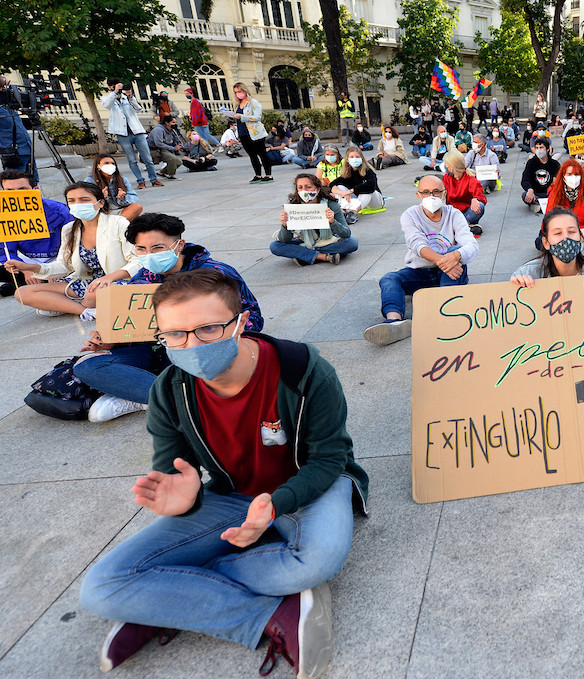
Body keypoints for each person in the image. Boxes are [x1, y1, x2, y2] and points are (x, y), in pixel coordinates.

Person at [78, 268, 368, 678]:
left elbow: (329, 459)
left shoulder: (301, 368)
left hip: (311, 487)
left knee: (314, 563)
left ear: (241, 323)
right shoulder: (169, 390)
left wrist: (278, 502)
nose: (190, 345)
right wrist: (185, 498)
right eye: (174, 334)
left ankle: (168, 598)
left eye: (209, 328)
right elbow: (172, 469)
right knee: (103, 586)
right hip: (232, 495)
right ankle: (272, 613)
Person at [70, 212, 264, 422]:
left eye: (157, 248)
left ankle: (143, 395)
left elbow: (253, 319)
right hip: (151, 349)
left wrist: (207, 331)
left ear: (178, 245)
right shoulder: (144, 275)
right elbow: (133, 321)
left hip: (195, 346)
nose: (149, 255)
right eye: (141, 249)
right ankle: (163, 398)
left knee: (192, 367)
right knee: (87, 366)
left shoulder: (215, 274)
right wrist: (111, 339)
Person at [364, 175, 478, 346]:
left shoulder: (454, 214)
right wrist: (444, 261)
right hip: (420, 271)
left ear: (444, 194)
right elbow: (418, 246)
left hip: (449, 273)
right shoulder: (410, 215)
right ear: (418, 196)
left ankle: (444, 313)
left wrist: (454, 257)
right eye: (425, 192)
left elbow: (471, 245)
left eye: (436, 192)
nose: (431, 196)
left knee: (455, 250)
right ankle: (394, 323)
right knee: (389, 278)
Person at [7, 182, 139, 317]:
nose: (78, 204)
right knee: (22, 293)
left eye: (84, 199)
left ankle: (67, 305)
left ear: (100, 203)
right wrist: (29, 267)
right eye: (72, 201)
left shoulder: (118, 223)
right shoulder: (69, 229)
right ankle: (87, 311)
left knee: (92, 296)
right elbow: (64, 265)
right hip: (84, 282)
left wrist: (108, 278)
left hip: (115, 281)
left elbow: (137, 260)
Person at [0, 170, 73, 298]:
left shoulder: (59, 210)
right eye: (9, 191)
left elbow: (73, 242)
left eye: (22, 189)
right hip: (25, 262)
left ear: (36, 189)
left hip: (58, 259)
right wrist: (25, 269)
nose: (16, 195)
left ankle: (27, 284)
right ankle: (30, 281)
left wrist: (55, 269)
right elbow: (5, 250)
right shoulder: (3, 215)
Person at [270, 173, 359, 267]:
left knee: (352, 243)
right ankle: (324, 257)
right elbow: (285, 239)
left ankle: (304, 255)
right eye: (300, 187)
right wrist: (285, 225)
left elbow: (346, 233)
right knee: (275, 246)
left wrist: (333, 222)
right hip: (306, 240)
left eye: (308, 187)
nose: (304, 191)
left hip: (329, 240)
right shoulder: (294, 206)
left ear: (317, 189)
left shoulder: (331, 204)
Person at [512, 208, 584, 284]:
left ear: (581, 238)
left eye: (571, 231)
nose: (566, 238)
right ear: (546, 242)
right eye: (558, 233)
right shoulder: (528, 273)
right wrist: (516, 288)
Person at [540, 158, 584, 256]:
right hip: (560, 234)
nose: (573, 178)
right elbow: (548, 220)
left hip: (581, 235)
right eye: (569, 174)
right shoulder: (555, 193)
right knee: (540, 242)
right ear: (563, 177)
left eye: (576, 175)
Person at [101, 79, 160, 189]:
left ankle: (154, 179)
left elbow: (138, 108)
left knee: (147, 157)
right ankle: (140, 181)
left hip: (137, 131)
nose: (118, 88)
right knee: (132, 160)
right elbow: (107, 105)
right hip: (123, 134)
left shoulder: (126, 98)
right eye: (115, 86)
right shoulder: (107, 98)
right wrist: (115, 92)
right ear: (110, 87)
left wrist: (130, 97)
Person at [226, 82, 271, 183]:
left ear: (245, 91)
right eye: (236, 92)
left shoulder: (253, 102)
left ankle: (269, 175)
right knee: (252, 155)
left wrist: (242, 117)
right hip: (243, 132)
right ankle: (258, 175)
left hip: (255, 132)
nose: (238, 94)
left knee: (262, 154)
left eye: (239, 91)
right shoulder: (238, 104)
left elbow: (258, 117)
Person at [328, 148, 384, 224]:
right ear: (347, 160)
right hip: (360, 201)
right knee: (340, 187)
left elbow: (370, 186)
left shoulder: (368, 171)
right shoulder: (347, 173)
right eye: (352, 157)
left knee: (366, 190)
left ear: (362, 158)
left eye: (357, 157)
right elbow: (332, 185)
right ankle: (343, 211)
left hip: (374, 201)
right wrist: (343, 193)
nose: (355, 159)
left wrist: (351, 191)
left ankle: (353, 213)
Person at [441, 151, 486, 235]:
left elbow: (481, 197)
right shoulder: (446, 178)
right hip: (452, 212)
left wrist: (475, 199)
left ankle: (457, 227)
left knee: (481, 206)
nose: (445, 166)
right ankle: (465, 227)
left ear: (452, 166)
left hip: (467, 213)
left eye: (446, 164)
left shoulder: (470, 179)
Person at [91, 154, 144, 222]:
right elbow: (89, 203)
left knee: (137, 207)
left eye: (113, 163)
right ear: (98, 166)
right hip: (103, 212)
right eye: (106, 163)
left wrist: (122, 198)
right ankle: (116, 225)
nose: (110, 165)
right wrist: (102, 197)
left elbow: (134, 197)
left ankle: (115, 224)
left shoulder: (122, 179)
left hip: (120, 211)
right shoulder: (91, 181)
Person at [521, 138, 561, 213]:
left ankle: (541, 206)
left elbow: (560, 180)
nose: (539, 150)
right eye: (537, 148)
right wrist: (529, 189)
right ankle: (544, 205)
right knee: (524, 195)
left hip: (550, 194)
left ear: (548, 149)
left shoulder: (555, 164)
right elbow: (525, 179)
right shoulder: (531, 163)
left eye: (541, 147)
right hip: (535, 194)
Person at [145, 115, 184, 180]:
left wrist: (181, 146)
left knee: (179, 162)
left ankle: (162, 172)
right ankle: (170, 175)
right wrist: (173, 148)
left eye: (175, 122)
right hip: (156, 149)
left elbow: (177, 139)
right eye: (173, 122)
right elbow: (159, 144)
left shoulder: (172, 130)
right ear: (167, 123)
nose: (175, 124)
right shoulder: (159, 130)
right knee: (172, 159)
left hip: (164, 148)